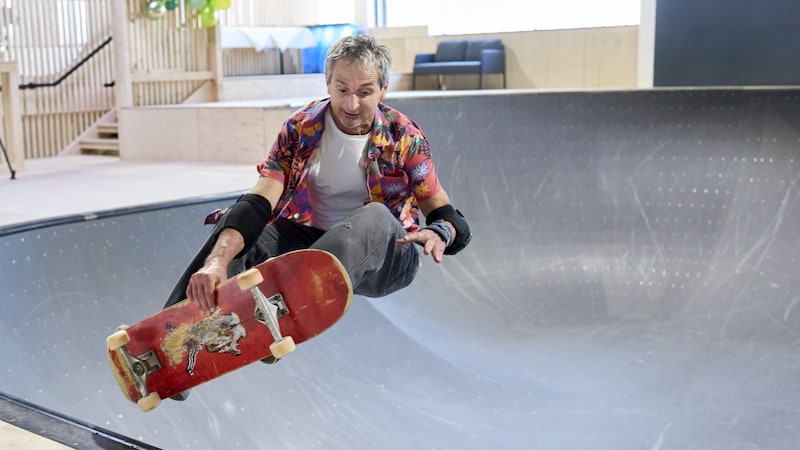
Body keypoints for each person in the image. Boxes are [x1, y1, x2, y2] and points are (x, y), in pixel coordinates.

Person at [163, 35, 471, 398]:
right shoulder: (300, 128)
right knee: (237, 223)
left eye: (365, 92)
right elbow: (260, 200)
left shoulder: (405, 138)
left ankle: (280, 315)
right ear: (327, 84)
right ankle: (171, 345)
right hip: (314, 244)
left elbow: (450, 217)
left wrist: (440, 233)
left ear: (384, 89)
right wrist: (218, 263)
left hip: (388, 257)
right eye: (342, 90)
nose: (351, 104)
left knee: (373, 215)